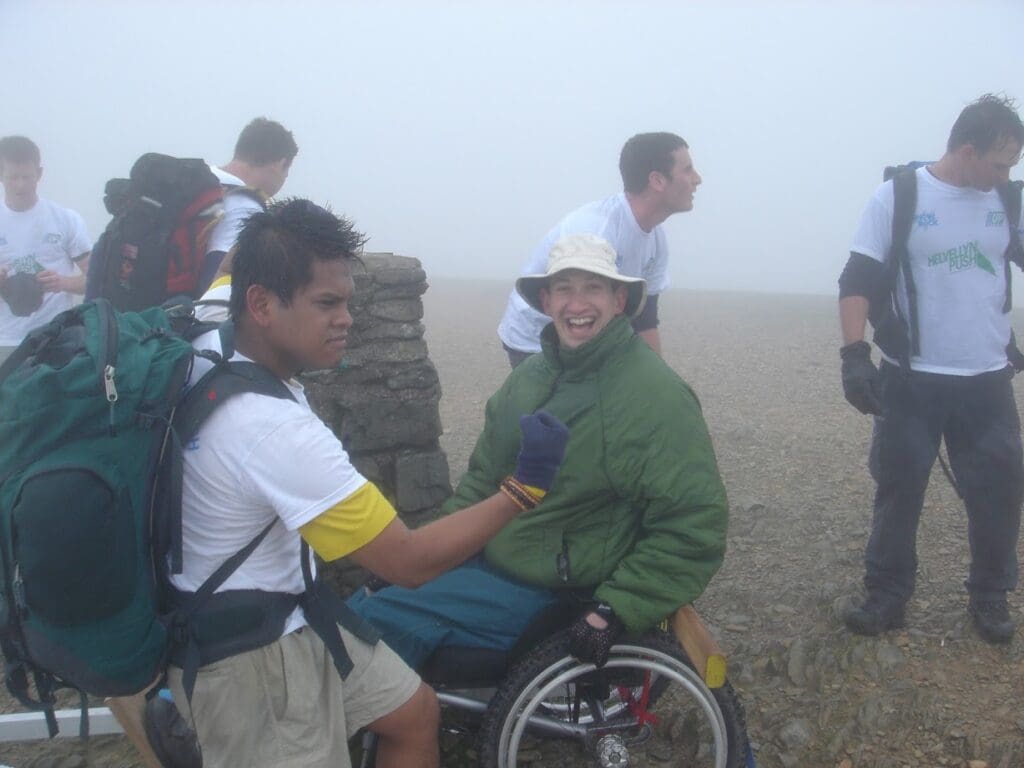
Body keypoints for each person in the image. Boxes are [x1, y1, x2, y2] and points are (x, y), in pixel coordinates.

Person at [164, 198, 569, 768]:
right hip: (248, 657)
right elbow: (406, 562)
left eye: (348, 301)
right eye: (326, 303)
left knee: (411, 713)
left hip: (291, 612)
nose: (347, 319)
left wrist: (275, 230)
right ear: (260, 304)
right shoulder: (276, 432)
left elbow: (231, 266)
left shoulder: (209, 333)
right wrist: (522, 490)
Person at [349, 233, 728, 671]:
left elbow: (694, 523)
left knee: (370, 624)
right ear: (546, 301)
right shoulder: (529, 377)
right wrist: (423, 551)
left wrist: (618, 606)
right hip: (493, 561)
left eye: (593, 288)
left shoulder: (655, 397)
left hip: (556, 591)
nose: (577, 304)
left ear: (619, 299)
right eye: (565, 289)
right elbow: (482, 480)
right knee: (364, 600)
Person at [838, 94, 1024, 644]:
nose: (1005, 174)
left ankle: (990, 596)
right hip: (911, 378)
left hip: (987, 380)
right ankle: (886, 596)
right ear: (967, 150)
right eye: (998, 162)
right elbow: (857, 281)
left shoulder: (1007, 201)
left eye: (1012, 165)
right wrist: (854, 357)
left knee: (998, 491)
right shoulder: (900, 196)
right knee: (899, 489)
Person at [496, 132, 701, 365]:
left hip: (592, 331)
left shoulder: (656, 240)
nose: (697, 179)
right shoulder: (594, 230)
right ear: (657, 180)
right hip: (537, 339)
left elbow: (645, 319)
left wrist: (661, 382)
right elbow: (576, 306)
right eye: (688, 169)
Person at [0, 136, 91, 364]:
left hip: (55, 338)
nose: (20, 185)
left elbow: (95, 279)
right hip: (4, 342)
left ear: (39, 174)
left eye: (27, 177)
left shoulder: (65, 220)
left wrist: (62, 283)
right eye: (13, 177)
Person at [198, 117, 298, 293]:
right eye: (287, 172)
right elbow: (220, 279)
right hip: (176, 313)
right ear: (280, 164)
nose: (285, 179)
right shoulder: (244, 205)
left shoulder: (203, 180)